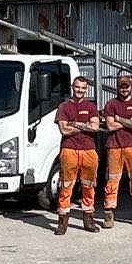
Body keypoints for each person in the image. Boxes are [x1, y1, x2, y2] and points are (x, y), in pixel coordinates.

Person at [54, 76, 102, 235]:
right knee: (66, 185)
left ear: (86, 89)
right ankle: (62, 221)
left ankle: (88, 219)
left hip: (89, 150)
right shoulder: (63, 107)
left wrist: (74, 124)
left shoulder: (91, 106)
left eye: (83, 88)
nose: (80, 90)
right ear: (72, 87)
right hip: (69, 149)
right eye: (77, 87)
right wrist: (84, 126)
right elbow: (64, 130)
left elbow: (95, 127)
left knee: (89, 186)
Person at [101, 72, 132, 229]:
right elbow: (110, 126)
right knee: (112, 181)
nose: (124, 89)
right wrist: (130, 121)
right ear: (117, 87)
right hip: (114, 147)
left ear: (131, 87)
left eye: (127, 86)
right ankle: (109, 214)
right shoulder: (111, 104)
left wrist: (119, 119)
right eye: (121, 86)